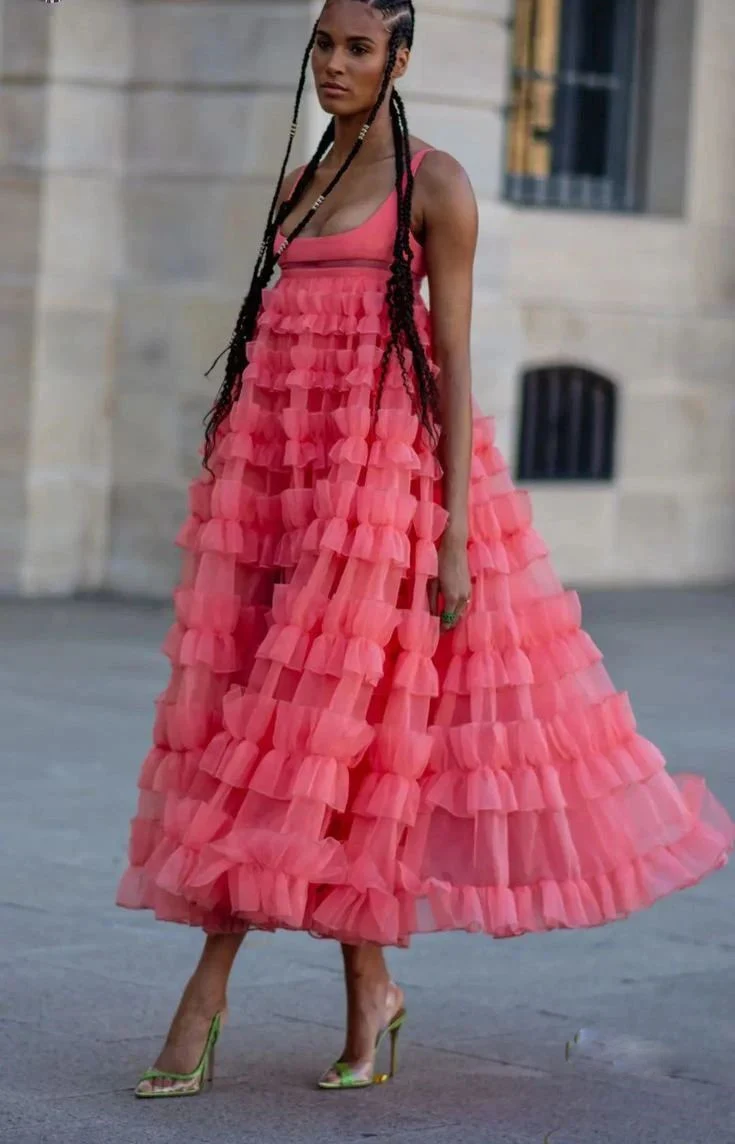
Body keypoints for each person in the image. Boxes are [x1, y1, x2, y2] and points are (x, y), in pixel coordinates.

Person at [117, 0, 735, 1098]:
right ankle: (374, 996)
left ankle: (203, 993)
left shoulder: (435, 182)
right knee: (315, 741)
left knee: (296, 731)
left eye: (359, 48)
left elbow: (449, 358)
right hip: (281, 486)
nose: (336, 66)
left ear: (400, 57)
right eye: (324, 45)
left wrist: (452, 531)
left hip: (381, 486)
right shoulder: (304, 176)